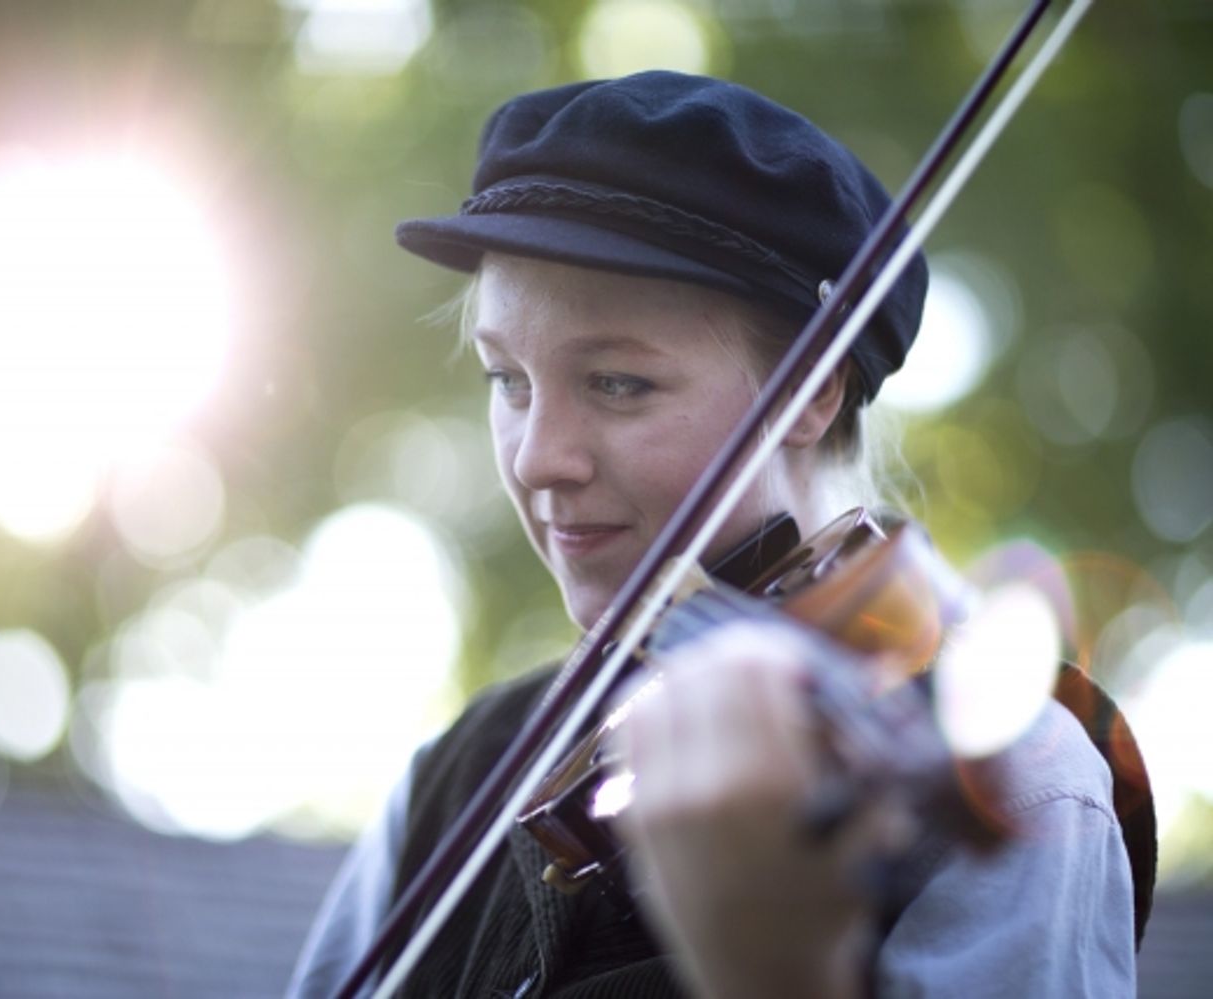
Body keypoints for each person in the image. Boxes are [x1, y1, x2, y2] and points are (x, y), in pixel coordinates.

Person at [287, 71, 1139, 998]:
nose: (537, 459)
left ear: (812, 389)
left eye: (618, 383)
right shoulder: (454, 778)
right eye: (507, 380)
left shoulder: (1001, 775)